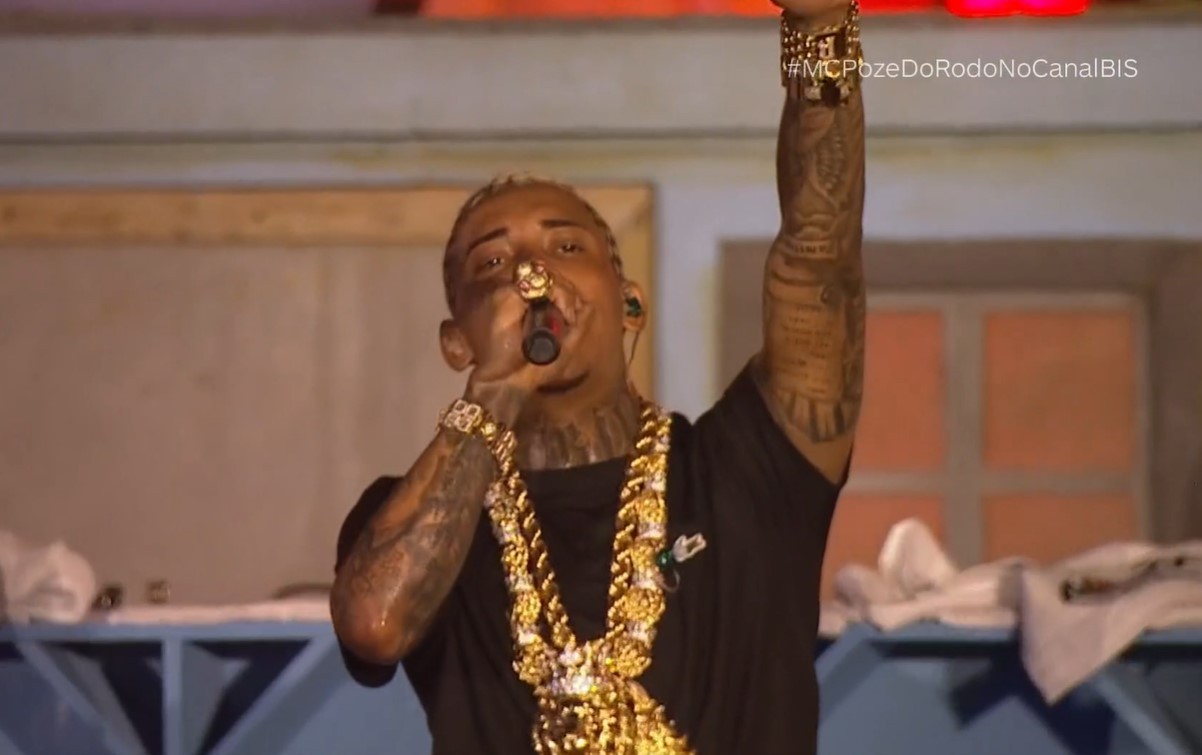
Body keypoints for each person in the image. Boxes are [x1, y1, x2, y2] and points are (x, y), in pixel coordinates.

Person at [331, 0, 865, 750]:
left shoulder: (746, 467)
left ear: (630, 304)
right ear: (457, 344)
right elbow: (375, 623)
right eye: (494, 263)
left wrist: (820, 27)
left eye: (566, 248)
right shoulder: (410, 509)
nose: (531, 273)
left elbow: (818, 256)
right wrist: (497, 390)